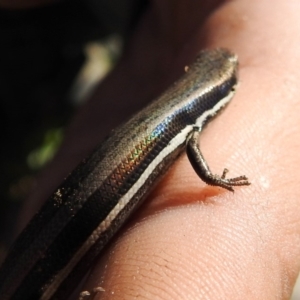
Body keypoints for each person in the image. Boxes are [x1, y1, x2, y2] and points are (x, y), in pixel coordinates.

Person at [4, 0, 300, 299]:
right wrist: (214, 180)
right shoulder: (190, 124)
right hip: (56, 251)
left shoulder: (183, 113)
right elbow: (195, 155)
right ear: (225, 91)